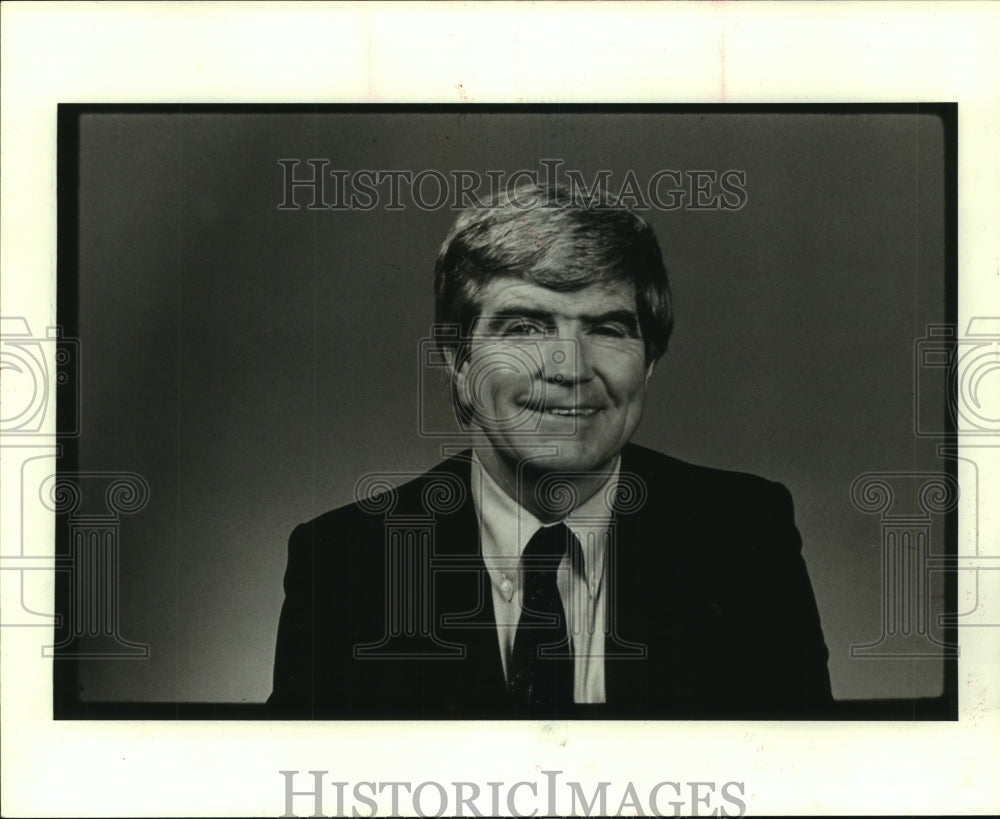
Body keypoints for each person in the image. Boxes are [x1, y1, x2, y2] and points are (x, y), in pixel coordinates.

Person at [268, 183, 833, 719]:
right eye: (524, 327)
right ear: (457, 361)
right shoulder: (346, 563)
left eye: (608, 329)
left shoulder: (745, 537)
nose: (570, 368)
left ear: (650, 362)